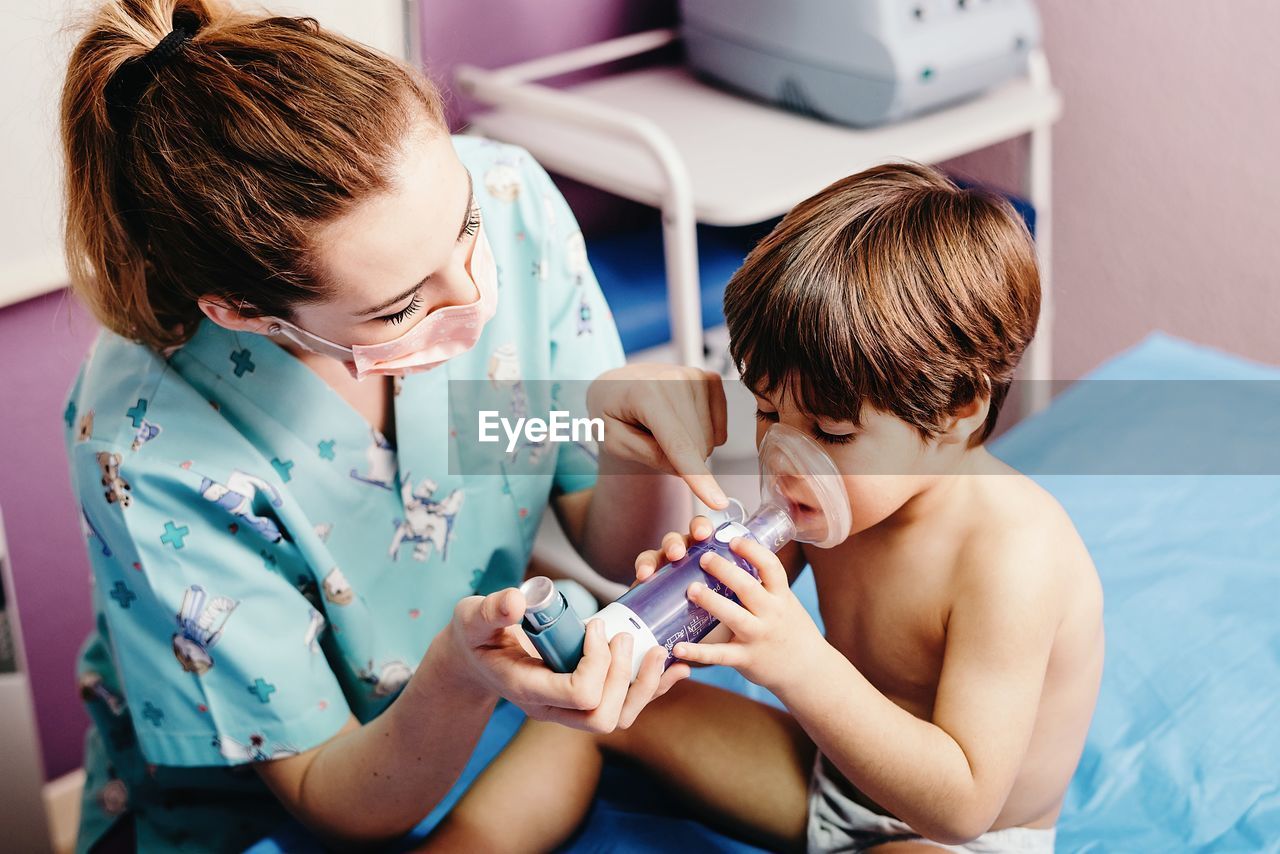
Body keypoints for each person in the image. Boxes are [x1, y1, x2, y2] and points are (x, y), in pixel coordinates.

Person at [60, 1, 728, 849]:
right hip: (286, 803)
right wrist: (460, 674)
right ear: (245, 314)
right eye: (401, 308)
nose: (479, 300)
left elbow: (604, 543)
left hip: (486, 728)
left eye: (467, 229)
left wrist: (639, 446)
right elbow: (326, 793)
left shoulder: (510, 201)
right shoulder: (151, 447)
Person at [426, 163, 1105, 853]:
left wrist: (798, 661)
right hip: (831, 777)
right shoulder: (839, 493)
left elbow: (963, 804)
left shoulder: (1012, 554)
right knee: (596, 722)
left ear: (959, 411)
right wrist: (680, 607)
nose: (787, 453)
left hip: (951, 833)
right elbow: (722, 631)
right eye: (770, 413)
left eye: (833, 433)